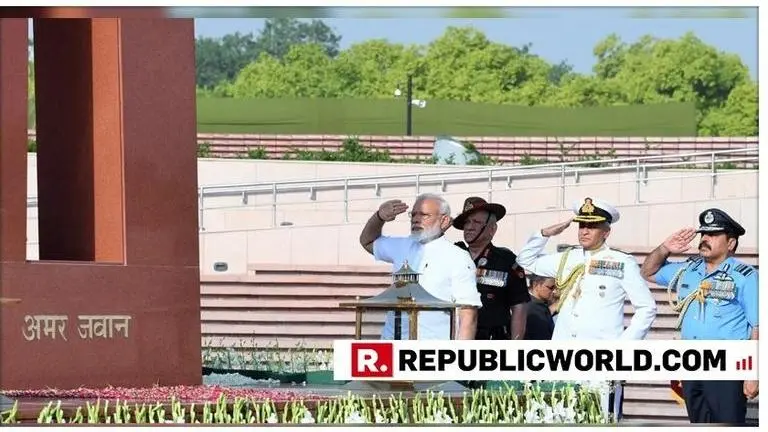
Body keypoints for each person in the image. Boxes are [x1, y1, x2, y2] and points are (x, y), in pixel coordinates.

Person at [515, 196, 658, 422]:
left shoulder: (621, 261)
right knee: (557, 418)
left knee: (599, 419)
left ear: (606, 232)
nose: (585, 231)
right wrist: (545, 233)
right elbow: (525, 261)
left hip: (599, 359)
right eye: (582, 225)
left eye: (592, 226)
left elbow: (646, 307)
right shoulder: (567, 258)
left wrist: (622, 348)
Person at [639, 208, 758, 425]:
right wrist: (665, 248)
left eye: (712, 235)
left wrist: (754, 372)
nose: (704, 239)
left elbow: (759, 326)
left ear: (730, 243)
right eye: (703, 234)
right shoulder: (689, 270)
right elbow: (647, 272)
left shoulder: (745, 276)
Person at [359, 193, 483, 340]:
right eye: (413, 215)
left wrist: (460, 356)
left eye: (424, 215)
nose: (416, 219)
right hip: (391, 345)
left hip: (431, 352)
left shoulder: (457, 257)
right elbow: (367, 241)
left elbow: (468, 313)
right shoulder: (402, 246)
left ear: (444, 221)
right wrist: (379, 217)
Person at [451, 197, 530, 340]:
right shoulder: (453, 255)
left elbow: (519, 308)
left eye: (476, 222)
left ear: (492, 229)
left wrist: (516, 345)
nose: (469, 227)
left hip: (492, 341)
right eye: (467, 222)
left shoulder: (506, 260)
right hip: (456, 338)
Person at [524, 274, 556, 340]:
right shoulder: (532, 309)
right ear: (536, 285)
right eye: (551, 287)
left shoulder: (538, 304)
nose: (554, 291)